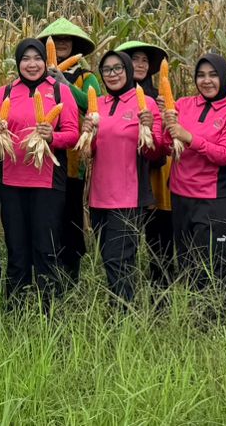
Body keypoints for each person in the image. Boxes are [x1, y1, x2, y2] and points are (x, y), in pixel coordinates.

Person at [0, 39, 82, 300]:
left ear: (45, 61)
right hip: (11, 183)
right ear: (18, 63)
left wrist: (53, 137)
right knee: (16, 249)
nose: (32, 64)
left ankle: (47, 309)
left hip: (48, 184)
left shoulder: (61, 92)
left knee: (46, 248)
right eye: (25, 59)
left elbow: (73, 135)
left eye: (37, 58)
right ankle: (16, 306)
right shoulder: (4, 93)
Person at [83, 50, 168, 304]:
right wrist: (87, 134)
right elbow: (90, 152)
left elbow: (157, 153)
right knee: (107, 258)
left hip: (128, 196)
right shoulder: (97, 103)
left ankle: (125, 313)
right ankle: (119, 308)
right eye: (107, 70)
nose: (112, 74)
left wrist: (149, 126)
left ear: (128, 71)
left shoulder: (146, 104)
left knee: (119, 258)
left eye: (118, 68)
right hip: (99, 196)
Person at [163, 53, 226, 290]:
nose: (206, 81)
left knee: (213, 262)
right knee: (187, 260)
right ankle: (192, 317)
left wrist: (189, 137)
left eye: (213, 75)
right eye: (201, 75)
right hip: (180, 195)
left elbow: (224, 155)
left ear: (224, 78)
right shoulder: (182, 105)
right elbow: (167, 147)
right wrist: (161, 125)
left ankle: (214, 317)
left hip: (213, 199)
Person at [38, 18, 98, 282]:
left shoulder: (87, 77)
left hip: (75, 160)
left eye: (66, 40)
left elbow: (94, 107)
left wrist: (65, 85)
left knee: (72, 219)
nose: (61, 44)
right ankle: (48, 272)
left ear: (75, 46)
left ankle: (71, 274)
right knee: (50, 220)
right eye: (56, 40)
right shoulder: (36, 77)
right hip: (43, 161)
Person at [116, 39, 175, 286]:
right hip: (126, 177)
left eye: (144, 60)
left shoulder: (161, 98)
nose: (140, 64)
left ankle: (162, 289)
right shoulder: (113, 98)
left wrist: (166, 112)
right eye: (134, 59)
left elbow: (172, 138)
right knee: (125, 238)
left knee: (159, 238)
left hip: (157, 177)